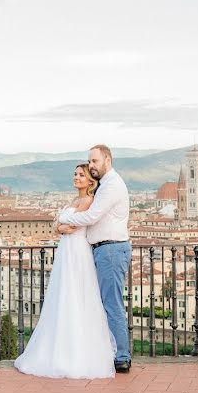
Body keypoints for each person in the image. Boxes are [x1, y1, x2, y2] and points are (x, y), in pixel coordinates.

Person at [13, 162, 115, 379]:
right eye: (75, 174)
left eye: (81, 175)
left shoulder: (89, 200)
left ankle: (74, 354)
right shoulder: (75, 200)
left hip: (77, 252)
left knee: (75, 295)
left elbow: (72, 224)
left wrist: (59, 224)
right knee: (62, 295)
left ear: (90, 181)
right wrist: (59, 226)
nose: (76, 177)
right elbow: (57, 225)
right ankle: (61, 348)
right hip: (66, 252)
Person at [57, 144, 132, 373]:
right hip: (102, 250)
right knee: (104, 304)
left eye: (94, 161)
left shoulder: (112, 185)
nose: (91, 165)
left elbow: (92, 215)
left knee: (111, 304)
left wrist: (64, 225)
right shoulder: (105, 185)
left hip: (110, 250)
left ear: (107, 160)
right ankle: (110, 351)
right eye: (89, 162)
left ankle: (121, 356)